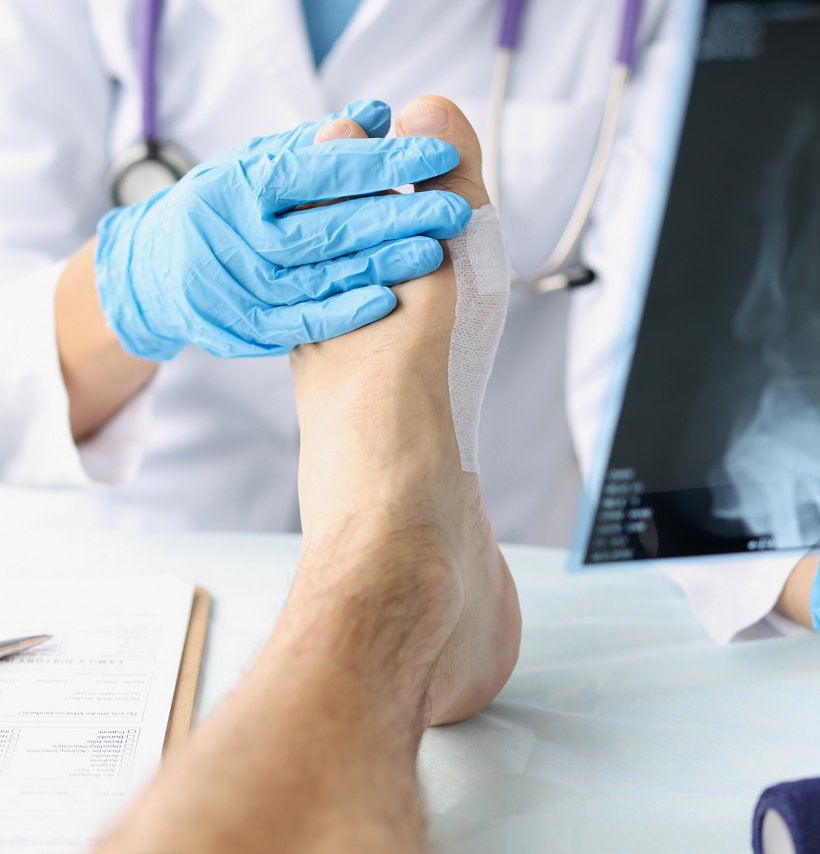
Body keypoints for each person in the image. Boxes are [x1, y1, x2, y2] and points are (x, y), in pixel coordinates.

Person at [0, 1, 820, 712]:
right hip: (140, 566)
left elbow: (659, 352)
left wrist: (817, 563)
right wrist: (128, 286)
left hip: (503, 551)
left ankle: (418, 564)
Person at [97, 99, 511, 852]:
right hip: (128, 551)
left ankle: (390, 538)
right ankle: (413, 560)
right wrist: (126, 286)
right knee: (382, 550)